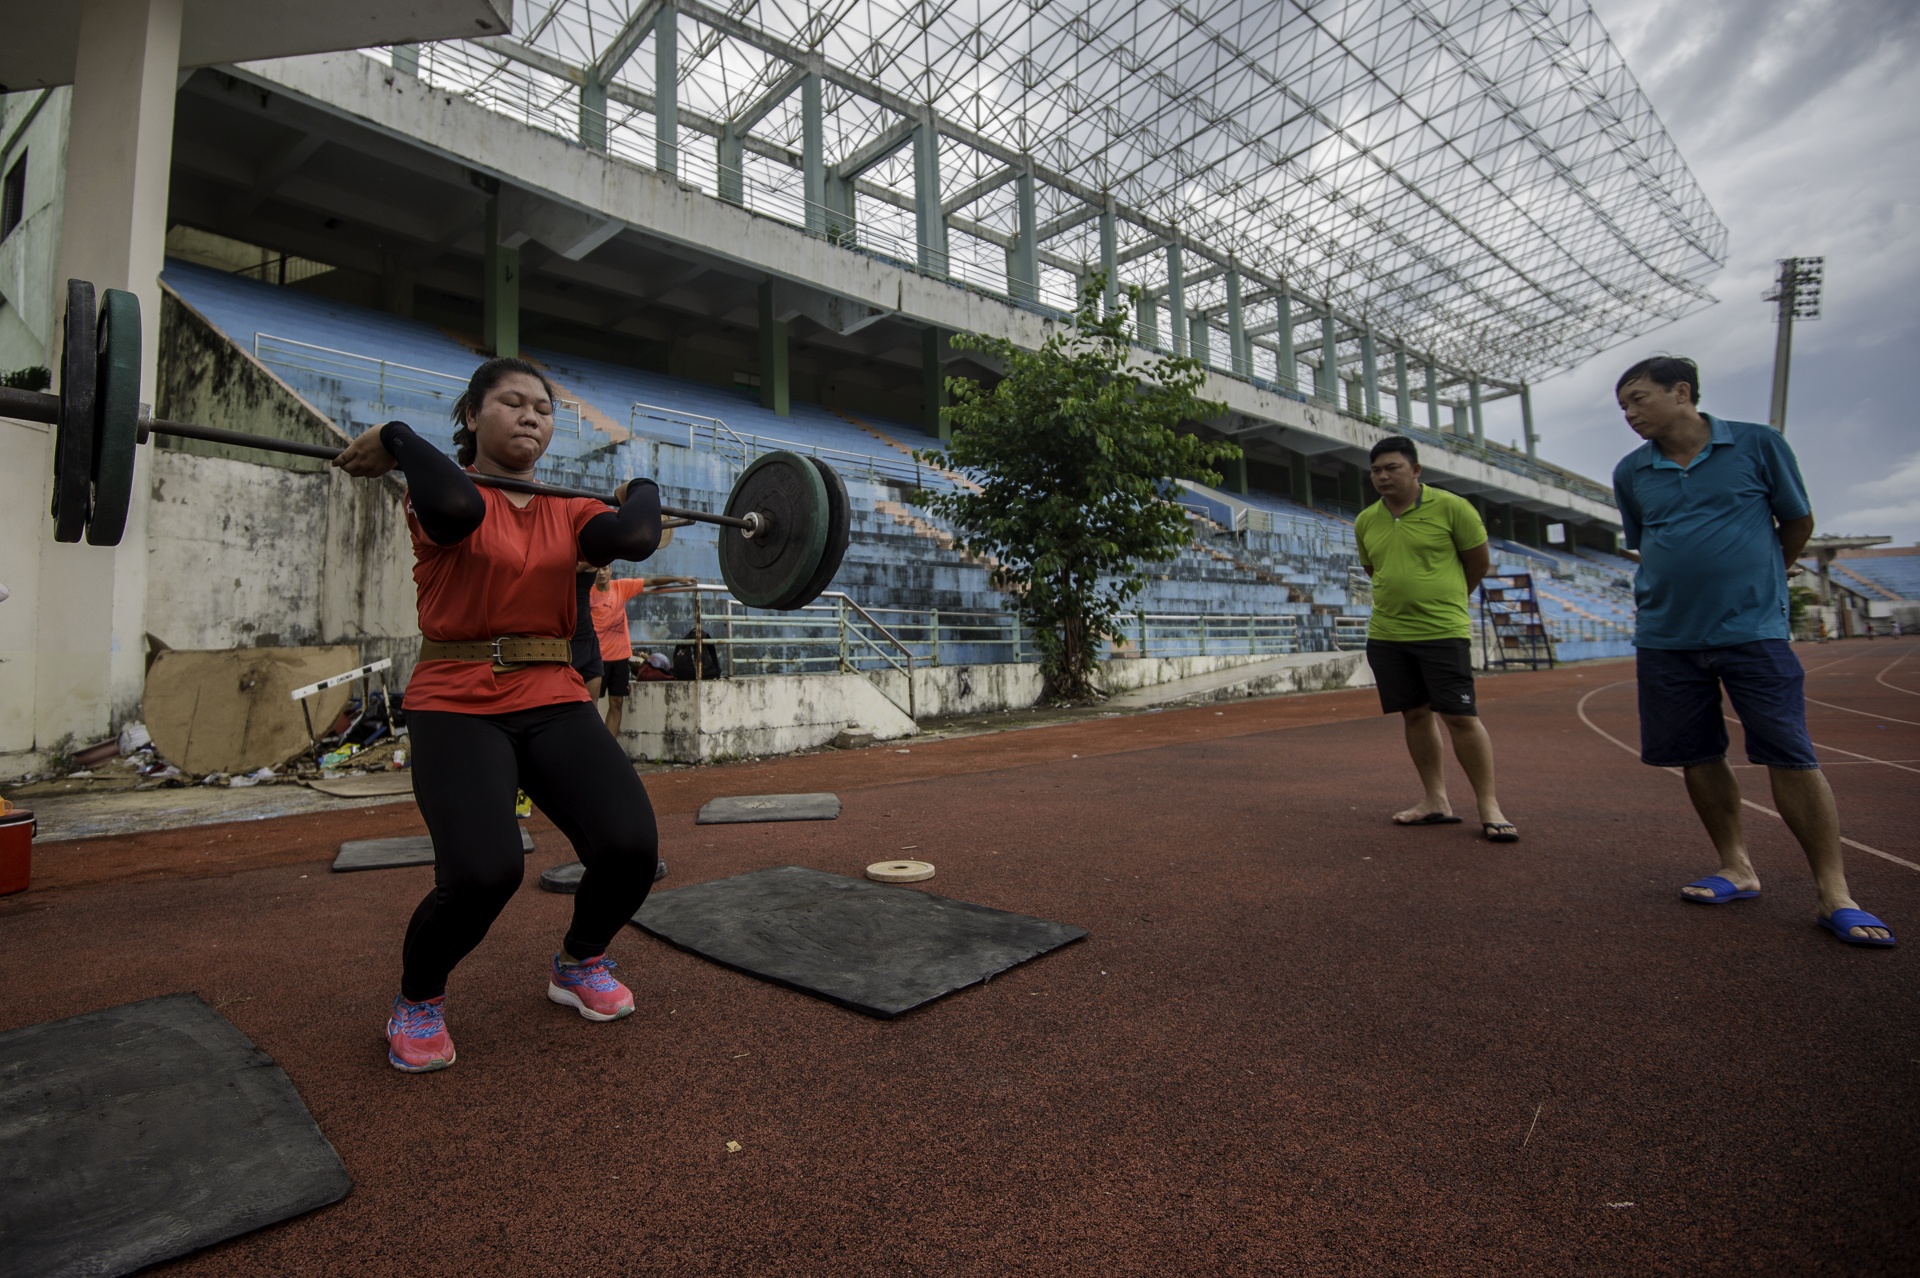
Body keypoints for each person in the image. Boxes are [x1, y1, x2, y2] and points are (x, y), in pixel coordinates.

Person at [332, 357, 668, 1072]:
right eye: (511, 403)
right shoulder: (438, 495)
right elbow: (460, 509)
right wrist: (395, 436)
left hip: (553, 694)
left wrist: (640, 488)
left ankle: (579, 961)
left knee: (632, 848)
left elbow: (636, 536)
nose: (530, 417)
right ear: (471, 415)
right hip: (456, 699)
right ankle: (418, 999)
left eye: (542, 409)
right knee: (485, 873)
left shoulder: (571, 512)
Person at [1612, 356, 1894, 946]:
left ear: (1682, 392)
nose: (1630, 414)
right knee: (1697, 755)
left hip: (1752, 631)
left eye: (1638, 399)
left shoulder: (1759, 445)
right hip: (1666, 637)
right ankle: (1736, 867)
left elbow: (1797, 521)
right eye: (1623, 407)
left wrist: (1767, 578)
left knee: (1790, 754)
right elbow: (1646, 541)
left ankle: (1834, 892)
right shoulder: (1631, 472)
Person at [1354, 436, 1518, 842]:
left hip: (1442, 631)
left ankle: (1489, 805)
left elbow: (1477, 563)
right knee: (1414, 714)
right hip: (1388, 634)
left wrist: (1447, 600)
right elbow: (1375, 570)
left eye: (1392, 467)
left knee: (1460, 716)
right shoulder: (1366, 521)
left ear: (1415, 470)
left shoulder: (1453, 508)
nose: (1382, 476)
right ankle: (1435, 800)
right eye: (1376, 470)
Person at [589, 565, 696, 737]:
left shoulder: (620, 587)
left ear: (610, 570)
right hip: (597, 658)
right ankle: (593, 746)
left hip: (620, 657)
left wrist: (678, 578)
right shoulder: (588, 593)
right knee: (591, 706)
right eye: (597, 569)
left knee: (616, 702)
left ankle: (609, 747)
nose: (601, 573)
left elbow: (651, 581)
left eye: (604, 568)